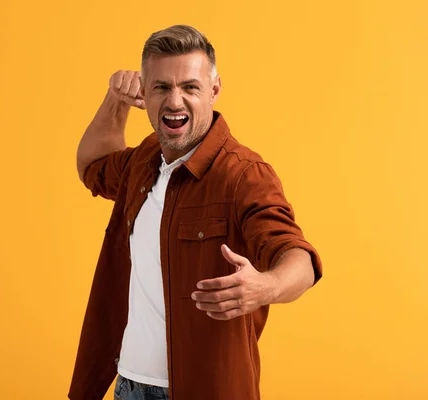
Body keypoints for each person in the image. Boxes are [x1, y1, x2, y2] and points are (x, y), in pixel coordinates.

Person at [69, 25, 323, 400]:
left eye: (190, 86)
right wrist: (115, 100)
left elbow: (297, 256)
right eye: (161, 87)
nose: (175, 101)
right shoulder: (144, 160)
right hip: (129, 385)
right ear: (146, 92)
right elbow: (93, 165)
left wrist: (264, 287)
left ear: (214, 89)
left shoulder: (242, 174)